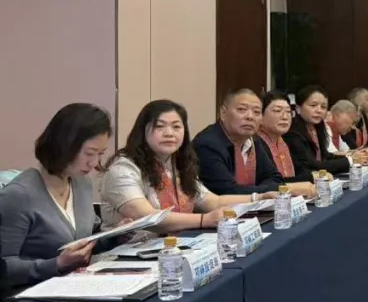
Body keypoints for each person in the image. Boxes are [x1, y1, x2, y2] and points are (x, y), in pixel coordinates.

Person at [101, 100, 273, 233]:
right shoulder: (124, 168)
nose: (169, 133)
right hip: (125, 257)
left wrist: (260, 198)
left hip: (174, 248)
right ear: (142, 131)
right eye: (159, 126)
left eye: (176, 127)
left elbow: (213, 202)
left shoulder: (177, 164)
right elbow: (147, 216)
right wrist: (203, 220)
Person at [0, 104, 111, 287]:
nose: (94, 162)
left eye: (100, 154)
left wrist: (116, 236)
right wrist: (57, 264)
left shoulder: (81, 183)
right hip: (27, 295)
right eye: (89, 153)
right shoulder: (18, 195)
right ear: (64, 146)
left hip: (72, 285)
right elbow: (5, 268)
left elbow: (84, 241)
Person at [194, 88, 291, 196]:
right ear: (223, 113)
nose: (250, 117)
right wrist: (263, 192)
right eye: (242, 109)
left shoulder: (254, 142)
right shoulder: (208, 144)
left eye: (256, 112)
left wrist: (258, 190)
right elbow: (228, 192)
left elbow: (276, 180)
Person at [285, 85, 354, 178]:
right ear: (298, 108)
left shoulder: (317, 127)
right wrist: (349, 161)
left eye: (323, 107)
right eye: (313, 105)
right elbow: (313, 165)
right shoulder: (293, 133)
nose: (319, 110)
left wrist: (350, 158)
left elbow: (324, 156)